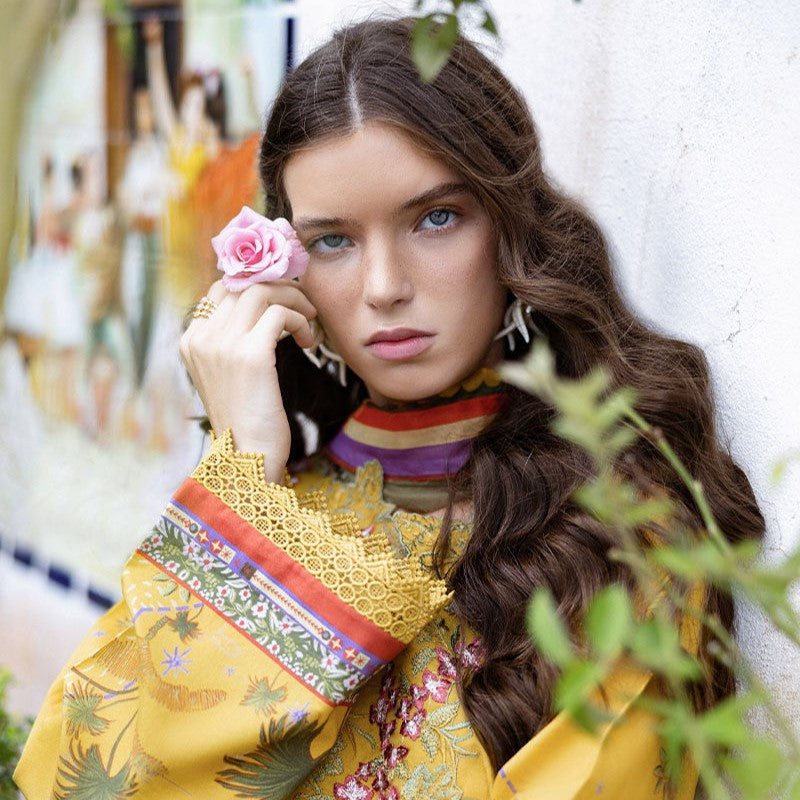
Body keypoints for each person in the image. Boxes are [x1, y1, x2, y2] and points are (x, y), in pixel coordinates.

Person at [15, 16, 763, 799]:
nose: (383, 287)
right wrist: (244, 475)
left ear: (510, 228)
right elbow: (76, 782)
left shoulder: (613, 535)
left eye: (436, 218)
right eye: (333, 241)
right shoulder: (269, 501)